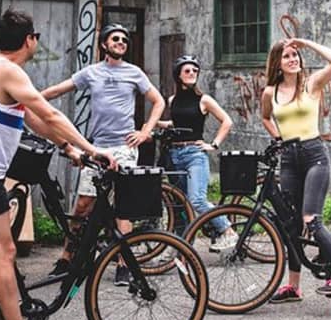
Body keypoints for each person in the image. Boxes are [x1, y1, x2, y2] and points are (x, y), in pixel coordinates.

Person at [0, 8, 116, 320]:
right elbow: (48, 112)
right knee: (2, 252)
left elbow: (32, 118)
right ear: (29, 40)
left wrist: (68, 148)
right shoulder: (9, 70)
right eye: (36, 37)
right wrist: (91, 148)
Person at [43, 23, 165, 286]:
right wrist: (31, 99)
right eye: (115, 39)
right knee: (83, 205)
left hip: (124, 147)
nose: (121, 42)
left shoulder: (135, 73)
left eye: (124, 39)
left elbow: (159, 101)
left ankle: (124, 265)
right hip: (97, 148)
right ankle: (67, 259)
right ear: (104, 45)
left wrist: (145, 131)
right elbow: (59, 90)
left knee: (124, 208)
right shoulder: (92, 72)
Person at [261, 37, 331, 302]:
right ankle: (294, 287)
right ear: (278, 62)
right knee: (291, 225)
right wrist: (278, 139)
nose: (293, 59)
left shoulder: (311, 85)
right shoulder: (269, 93)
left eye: (296, 55)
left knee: (311, 219)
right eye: (287, 56)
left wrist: (305, 43)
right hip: (289, 159)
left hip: (313, 155)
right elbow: (265, 117)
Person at [158, 55, 237, 251]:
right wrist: (155, 124)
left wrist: (214, 144)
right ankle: (183, 246)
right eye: (187, 70)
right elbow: (177, 123)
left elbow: (227, 121)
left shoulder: (204, 100)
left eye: (195, 70)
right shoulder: (172, 100)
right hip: (174, 155)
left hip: (195, 154)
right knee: (182, 204)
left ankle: (228, 231)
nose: (192, 73)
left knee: (197, 199)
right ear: (178, 75)